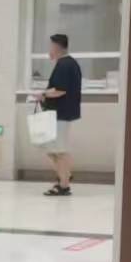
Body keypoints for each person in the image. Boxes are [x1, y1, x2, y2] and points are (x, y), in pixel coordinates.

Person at [39, 32, 83, 196]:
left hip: (60, 114)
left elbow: (60, 90)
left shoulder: (64, 65)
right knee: (55, 149)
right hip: (63, 113)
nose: (49, 50)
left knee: (58, 151)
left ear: (57, 47)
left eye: (51, 46)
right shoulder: (69, 63)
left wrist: (43, 94)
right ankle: (66, 175)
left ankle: (64, 185)